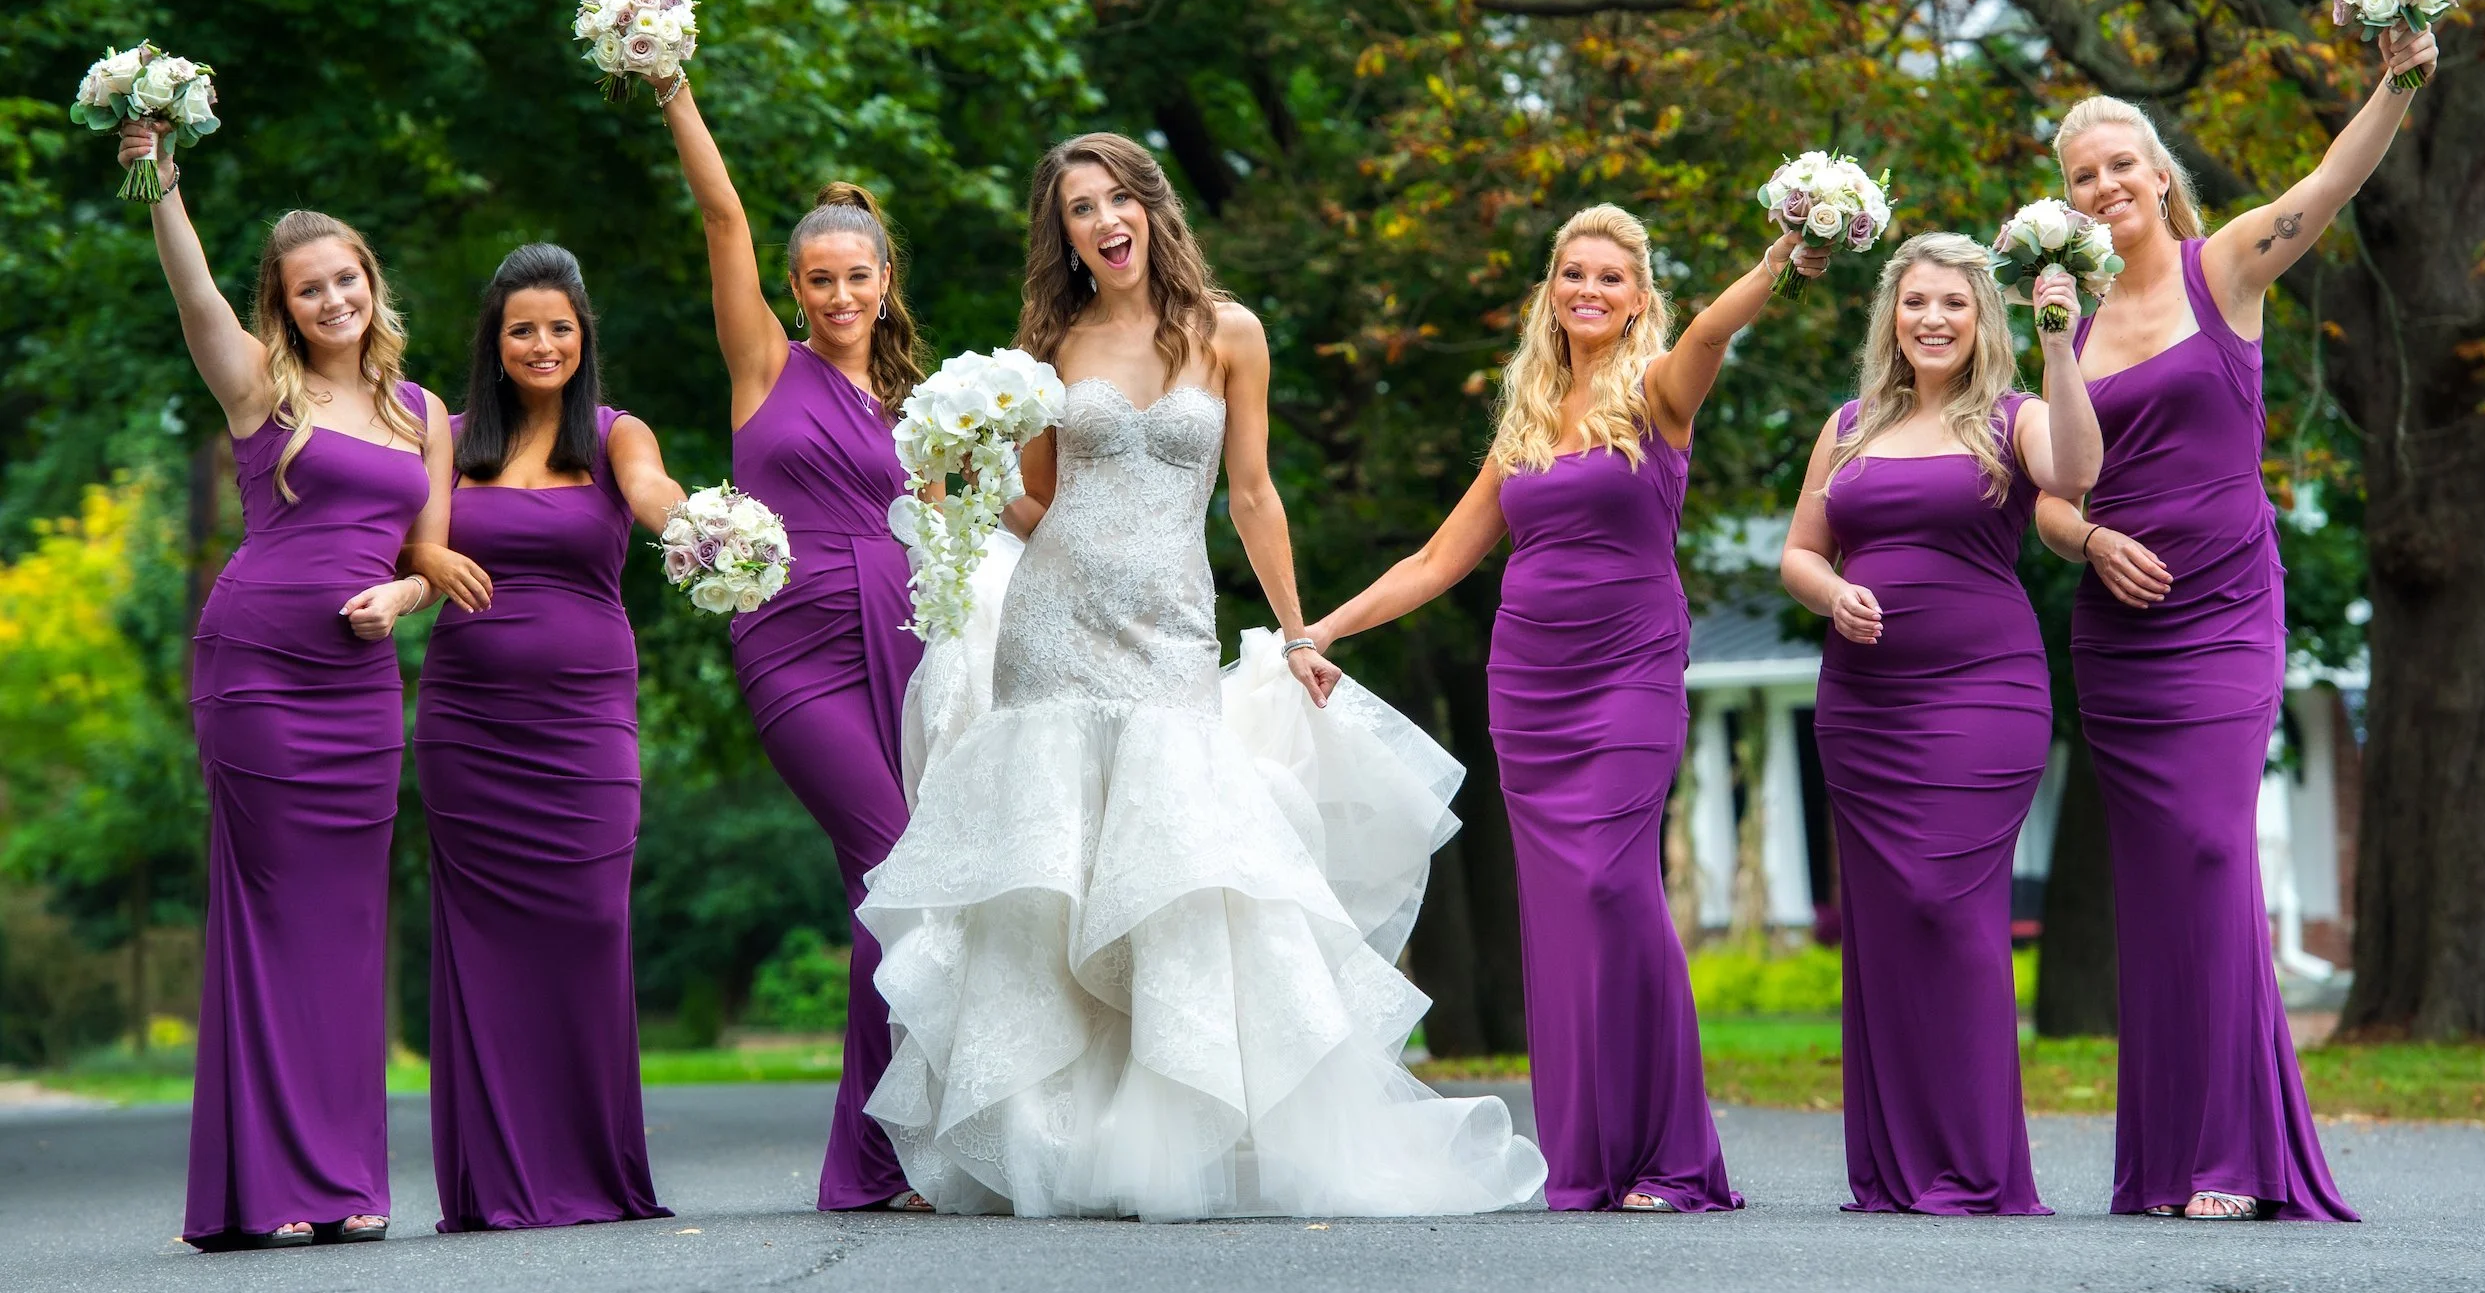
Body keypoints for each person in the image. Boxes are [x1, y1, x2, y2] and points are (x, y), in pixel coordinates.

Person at [859, 133, 1546, 1219]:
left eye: (1116, 197)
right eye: (1079, 208)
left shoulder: (1231, 333)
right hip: (1056, 631)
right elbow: (1038, 501)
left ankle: (1169, 1134)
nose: (1103, 219)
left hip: (1172, 633)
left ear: (1150, 206)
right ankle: (1052, 1142)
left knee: (1175, 869)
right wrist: (962, 478)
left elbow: (1253, 493)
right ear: (1065, 236)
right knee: (1059, 876)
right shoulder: (1049, 344)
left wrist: (1299, 630)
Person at [1312, 204, 1821, 1212]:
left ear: (1638, 298)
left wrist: (1777, 258)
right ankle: (1588, 1159)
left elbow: (1714, 331)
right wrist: (1324, 629)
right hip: (1528, 686)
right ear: (1550, 291)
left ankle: (1671, 1157)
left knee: (1611, 884)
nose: (1589, 289)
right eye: (1572, 273)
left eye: (1610, 276)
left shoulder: (1661, 390)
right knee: (1558, 912)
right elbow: (1436, 559)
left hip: (1630, 671)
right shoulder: (1527, 420)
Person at [2033, 24, 2434, 1221]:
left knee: (2212, 853)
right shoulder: (2062, 325)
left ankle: (2231, 1156)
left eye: (2121, 163)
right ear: (2066, 202)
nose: (2106, 185)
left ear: (2159, 173)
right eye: (2082, 176)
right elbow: (2048, 490)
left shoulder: (2227, 271)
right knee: (2158, 885)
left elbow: (2330, 182)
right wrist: (2089, 539)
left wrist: (2397, 78)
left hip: (2220, 614)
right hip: (2117, 631)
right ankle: (2172, 1161)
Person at [120, 122, 476, 1251]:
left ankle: (343, 1178)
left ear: (372, 283)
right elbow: (192, 293)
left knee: (346, 923)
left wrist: (400, 600)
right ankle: (266, 1183)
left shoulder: (424, 415)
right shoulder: (258, 388)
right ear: (282, 304)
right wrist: (160, 179)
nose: (333, 300)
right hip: (258, 676)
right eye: (309, 288)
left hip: (360, 689)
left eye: (346, 280)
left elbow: (427, 558)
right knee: (272, 913)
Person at [1779, 232, 2099, 1215]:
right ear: (1891, 314)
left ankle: (1974, 1162)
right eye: (1915, 301)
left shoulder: (2015, 415)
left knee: (1946, 906)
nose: (1932, 318)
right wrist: (1833, 593)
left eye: (1953, 303)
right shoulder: (1848, 426)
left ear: (1981, 318)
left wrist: (2059, 346)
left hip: (1982, 694)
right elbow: (1799, 553)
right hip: (1863, 706)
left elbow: (2077, 471)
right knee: (1884, 921)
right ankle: (1898, 1165)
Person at [653, 70, 926, 1210]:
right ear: (794, 287)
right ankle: (872, 1163)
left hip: (905, 642)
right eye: (819, 279)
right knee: (895, 871)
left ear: (883, 280)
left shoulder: (918, 401)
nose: (839, 295)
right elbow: (723, 216)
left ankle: (903, 1151)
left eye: (856, 276)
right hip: (797, 649)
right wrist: (674, 87)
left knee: (907, 889)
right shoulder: (767, 365)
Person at [408, 244, 683, 1232]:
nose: (541, 344)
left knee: (592, 926)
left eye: (559, 327)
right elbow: (411, 538)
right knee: (486, 950)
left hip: (585, 725)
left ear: (582, 336)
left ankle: (595, 1171)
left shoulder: (615, 434)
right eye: (522, 328)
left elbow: (653, 491)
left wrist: (700, 526)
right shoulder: (446, 437)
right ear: (495, 340)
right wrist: (430, 554)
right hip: (470, 728)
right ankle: (500, 1182)